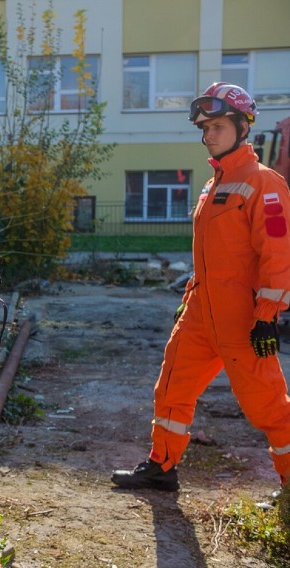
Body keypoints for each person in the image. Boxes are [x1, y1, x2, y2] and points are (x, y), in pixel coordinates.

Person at [111, 82, 290, 502]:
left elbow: (278, 254)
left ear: (242, 127)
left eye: (217, 126)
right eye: (204, 127)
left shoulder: (265, 183)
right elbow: (211, 257)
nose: (208, 134)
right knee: (171, 389)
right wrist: (188, 298)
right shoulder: (212, 188)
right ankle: (161, 467)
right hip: (199, 313)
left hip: (243, 321)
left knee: (268, 407)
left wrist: (268, 314)